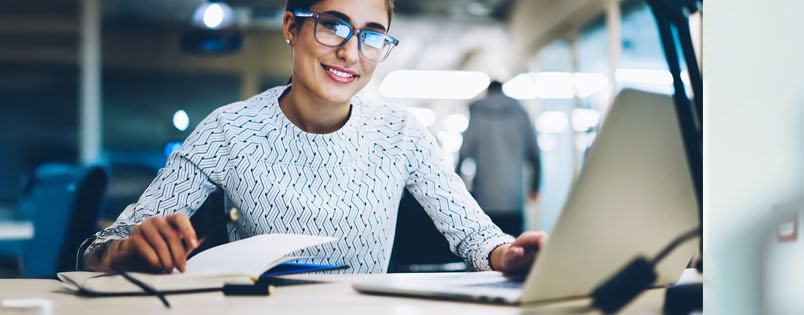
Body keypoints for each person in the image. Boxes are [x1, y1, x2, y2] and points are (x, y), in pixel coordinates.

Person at [82, 0, 546, 275]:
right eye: (332, 24)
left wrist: (510, 255)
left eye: (372, 35)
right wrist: (125, 251)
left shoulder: (401, 134)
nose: (350, 51)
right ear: (292, 27)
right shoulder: (229, 129)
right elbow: (96, 251)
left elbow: (476, 236)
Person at [458, 81, 541, 236]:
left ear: (488, 92)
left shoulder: (477, 113)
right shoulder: (520, 113)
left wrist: (458, 190)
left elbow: (463, 153)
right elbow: (535, 154)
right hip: (514, 198)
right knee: (514, 250)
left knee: (486, 250)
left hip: (484, 199)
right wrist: (535, 187)